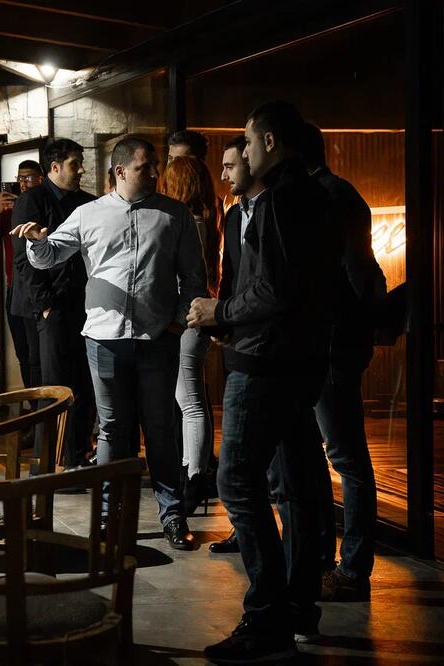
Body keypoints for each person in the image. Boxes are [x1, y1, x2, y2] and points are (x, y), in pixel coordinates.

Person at [189, 101, 340, 662]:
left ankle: (267, 614)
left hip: (266, 361)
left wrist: (220, 313)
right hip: (297, 359)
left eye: (248, 144)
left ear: (269, 142)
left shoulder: (281, 199)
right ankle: (297, 607)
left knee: (236, 481)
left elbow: (276, 290)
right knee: (296, 485)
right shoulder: (314, 196)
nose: (243, 156)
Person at [14, 137, 206, 549]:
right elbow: (48, 257)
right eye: (144, 167)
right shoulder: (89, 214)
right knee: (112, 430)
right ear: (120, 171)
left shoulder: (175, 215)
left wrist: (176, 324)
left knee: (161, 428)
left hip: (158, 339)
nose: (154, 173)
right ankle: (107, 519)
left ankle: (173, 517)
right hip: (104, 339)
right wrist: (36, 241)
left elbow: (194, 276)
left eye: (154, 166)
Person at [300, 122, 386, 602]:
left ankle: (352, 570)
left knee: (347, 458)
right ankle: (335, 563)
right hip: (330, 341)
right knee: (337, 456)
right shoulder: (331, 194)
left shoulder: (330, 196)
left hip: (332, 343)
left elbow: (357, 272)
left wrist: (352, 332)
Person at [9, 139, 97, 476]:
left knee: (84, 384)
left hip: (83, 305)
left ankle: (76, 457)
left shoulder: (87, 202)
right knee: (54, 385)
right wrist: (45, 304)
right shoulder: (31, 200)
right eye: (75, 163)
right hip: (50, 307)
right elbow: (23, 258)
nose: (82, 170)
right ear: (55, 167)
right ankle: (46, 466)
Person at [206, 136, 265, 556]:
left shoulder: (274, 209)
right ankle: (244, 533)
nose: (224, 174)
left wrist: (222, 312)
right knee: (244, 463)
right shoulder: (233, 214)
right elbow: (231, 273)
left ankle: (283, 570)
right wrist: (222, 319)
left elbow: (271, 288)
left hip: (268, 347)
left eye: (230, 165)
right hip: (239, 339)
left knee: (242, 468)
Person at [160, 156, 222, 514]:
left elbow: (184, 277)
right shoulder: (204, 219)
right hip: (194, 316)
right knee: (190, 399)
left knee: (191, 401)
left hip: (189, 317)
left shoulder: (190, 223)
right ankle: (192, 474)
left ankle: (194, 479)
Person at [0, 160, 45, 392]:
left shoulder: (44, 206)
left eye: (29, 178)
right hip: (14, 288)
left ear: (41, 179)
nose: (23, 183)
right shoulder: (8, 213)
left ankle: (44, 403)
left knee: (39, 354)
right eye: (19, 179)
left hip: (39, 287)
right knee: (23, 352)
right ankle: (32, 403)